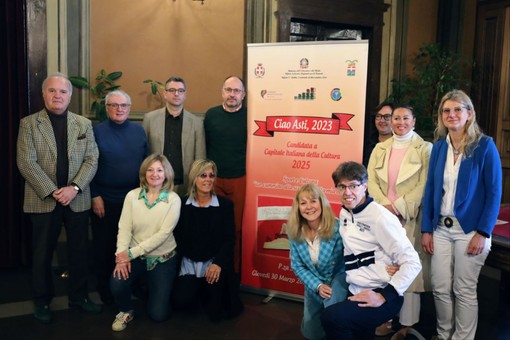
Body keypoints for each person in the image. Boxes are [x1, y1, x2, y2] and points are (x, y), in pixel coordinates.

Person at [16, 72, 101, 324]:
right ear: (44, 94)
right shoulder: (29, 123)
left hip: (77, 199)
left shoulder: (83, 124)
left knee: (79, 252)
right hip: (43, 199)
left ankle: (79, 296)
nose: (57, 95)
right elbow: (26, 162)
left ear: (70, 96)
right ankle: (42, 301)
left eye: (63, 91)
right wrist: (54, 190)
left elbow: (91, 159)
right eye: (52, 91)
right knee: (42, 254)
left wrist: (74, 187)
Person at [421, 89, 502, 340]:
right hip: (440, 229)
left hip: (471, 230)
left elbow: (494, 192)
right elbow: (431, 189)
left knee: (464, 289)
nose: (452, 114)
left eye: (458, 109)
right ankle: (444, 335)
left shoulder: (485, 146)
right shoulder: (438, 148)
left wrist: (483, 232)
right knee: (440, 288)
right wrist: (426, 229)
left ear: (469, 114)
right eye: (446, 110)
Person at [321, 161, 422, 340]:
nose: (347, 192)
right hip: (356, 289)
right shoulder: (345, 213)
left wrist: (384, 295)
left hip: (380, 293)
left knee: (332, 318)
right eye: (342, 186)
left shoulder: (380, 217)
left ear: (365, 186)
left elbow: (413, 262)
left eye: (353, 186)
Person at [367, 104, 432, 339]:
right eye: (396, 117)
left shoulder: (425, 148)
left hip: (409, 216)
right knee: (384, 265)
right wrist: (385, 208)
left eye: (406, 118)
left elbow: (425, 184)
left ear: (414, 121)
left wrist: (400, 208)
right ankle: (384, 317)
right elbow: (370, 180)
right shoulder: (380, 148)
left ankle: (406, 324)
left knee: (409, 268)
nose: (400, 122)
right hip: (383, 216)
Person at [90, 90, 149, 304]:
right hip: (104, 201)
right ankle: (105, 288)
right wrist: (94, 195)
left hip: (133, 200)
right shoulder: (96, 132)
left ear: (129, 108)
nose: (119, 109)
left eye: (123, 105)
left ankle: (133, 284)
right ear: (106, 108)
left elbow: (146, 166)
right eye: (114, 105)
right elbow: (88, 165)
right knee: (105, 246)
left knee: (133, 245)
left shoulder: (139, 131)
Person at [110, 154, 181, 331]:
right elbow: (124, 227)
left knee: (158, 315)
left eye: (159, 169)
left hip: (162, 259)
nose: (154, 173)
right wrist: (121, 256)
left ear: (166, 174)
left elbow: (163, 234)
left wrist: (130, 253)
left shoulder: (173, 199)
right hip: (134, 257)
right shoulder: (132, 196)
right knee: (117, 284)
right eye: (150, 169)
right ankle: (126, 310)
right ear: (144, 173)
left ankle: (155, 292)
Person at [172, 159, 244, 322]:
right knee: (182, 302)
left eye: (211, 176)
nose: (208, 179)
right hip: (189, 262)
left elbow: (229, 239)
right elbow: (178, 237)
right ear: (194, 178)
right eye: (203, 175)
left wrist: (217, 263)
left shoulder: (225, 205)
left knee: (217, 311)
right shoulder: (181, 204)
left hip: (213, 263)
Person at [287, 183, 348, 340]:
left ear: (321, 202)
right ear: (298, 207)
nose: (309, 207)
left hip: (337, 277)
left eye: (313, 201)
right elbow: (297, 266)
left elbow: (351, 259)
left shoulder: (338, 228)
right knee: (311, 332)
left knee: (333, 319)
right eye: (303, 203)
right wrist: (317, 285)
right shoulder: (294, 231)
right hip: (314, 282)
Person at [204, 75, 247, 273]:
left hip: (241, 178)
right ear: (222, 92)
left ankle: (234, 274)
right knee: (213, 227)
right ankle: (211, 270)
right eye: (228, 90)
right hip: (213, 180)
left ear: (243, 95)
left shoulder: (250, 116)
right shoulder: (211, 115)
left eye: (236, 91)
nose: (232, 94)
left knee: (237, 229)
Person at [143, 76, 206, 197]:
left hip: (185, 185)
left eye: (180, 91)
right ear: (165, 94)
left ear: (185, 94)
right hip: (156, 184)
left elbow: (200, 158)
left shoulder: (197, 123)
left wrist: (197, 186)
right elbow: (143, 153)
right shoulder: (150, 119)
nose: (176, 94)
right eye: (172, 90)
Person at [362, 102, 393, 167]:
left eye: (386, 117)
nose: (382, 120)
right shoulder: (366, 144)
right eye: (378, 116)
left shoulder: (400, 145)